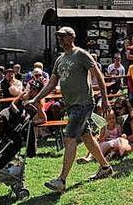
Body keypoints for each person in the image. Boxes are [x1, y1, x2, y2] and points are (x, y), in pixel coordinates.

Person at [25, 26, 113, 193]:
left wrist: (105, 99)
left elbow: (99, 76)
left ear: (72, 37)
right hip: (71, 104)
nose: (60, 39)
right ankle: (105, 167)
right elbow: (51, 83)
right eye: (59, 36)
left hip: (83, 103)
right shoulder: (60, 60)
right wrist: (35, 99)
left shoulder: (81, 54)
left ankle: (62, 180)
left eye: (63, 36)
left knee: (69, 137)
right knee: (86, 136)